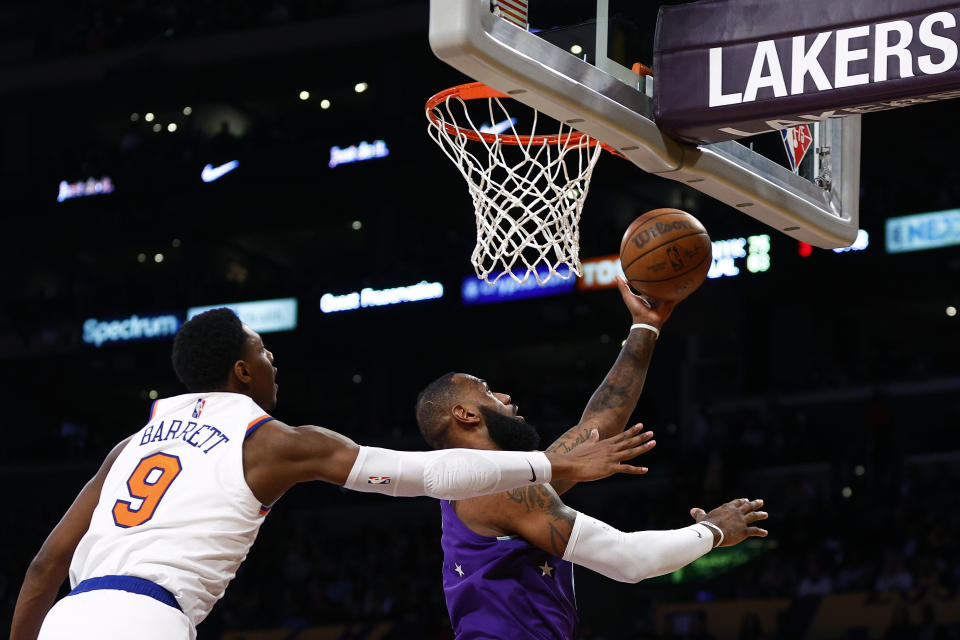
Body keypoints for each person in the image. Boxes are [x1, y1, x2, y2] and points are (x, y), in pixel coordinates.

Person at [11, 308, 654, 640]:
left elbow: (43, 571)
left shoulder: (131, 443)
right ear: (241, 372)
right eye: (262, 350)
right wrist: (554, 462)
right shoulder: (274, 442)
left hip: (69, 616)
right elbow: (419, 474)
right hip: (147, 620)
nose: (271, 358)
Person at [415, 276, 769, 639]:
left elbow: (600, 425)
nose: (506, 397)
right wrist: (713, 531)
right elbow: (630, 561)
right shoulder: (498, 490)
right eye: (487, 392)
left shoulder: (500, 481)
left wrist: (645, 326)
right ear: (465, 415)